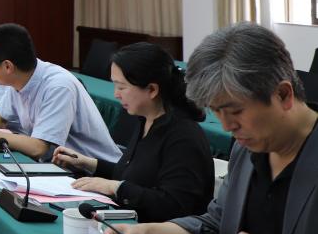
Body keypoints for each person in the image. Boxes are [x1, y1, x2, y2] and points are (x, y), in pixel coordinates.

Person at [108, 24, 318, 234]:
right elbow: (216, 224)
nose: (227, 126)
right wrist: (145, 232)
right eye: (217, 112)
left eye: (235, 111)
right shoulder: (248, 151)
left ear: (283, 95)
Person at [52, 42, 213, 221]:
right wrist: (88, 164)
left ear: (152, 89)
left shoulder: (183, 136)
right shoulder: (145, 120)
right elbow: (135, 175)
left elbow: (173, 206)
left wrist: (115, 188)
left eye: (121, 87)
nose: (116, 94)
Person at [0, 23, 121, 162]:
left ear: (8, 66)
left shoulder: (58, 86)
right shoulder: (18, 80)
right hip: (60, 165)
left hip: (93, 172)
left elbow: (39, 148)